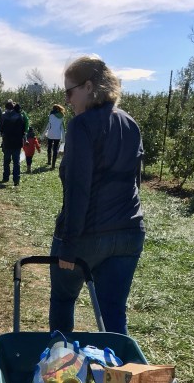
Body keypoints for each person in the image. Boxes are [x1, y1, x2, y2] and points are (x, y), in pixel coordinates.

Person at [49, 55, 144, 336]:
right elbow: (134, 182)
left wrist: (68, 243)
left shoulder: (82, 126)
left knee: (63, 299)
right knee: (113, 311)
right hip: (129, 232)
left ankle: (60, 368)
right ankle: (121, 376)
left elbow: (78, 188)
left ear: (89, 86)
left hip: (88, 234)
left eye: (69, 91)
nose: (67, 100)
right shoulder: (131, 123)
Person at [0, 100, 26, 186]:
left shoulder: (4, 116)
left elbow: (1, 129)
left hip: (7, 141)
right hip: (17, 142)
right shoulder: (20, 116)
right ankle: (16, 179)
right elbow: (23, 129)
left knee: (6, 161)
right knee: (16, 161)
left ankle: (6, 177)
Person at [45, 104, 66, 169]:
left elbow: (48, 125)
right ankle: (53, 165)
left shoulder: (51, 115)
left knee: (49, 147)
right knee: (55, 149)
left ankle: (49, 161)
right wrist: (63, 138)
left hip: (50, 134)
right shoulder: (62, 116)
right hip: (57, 135)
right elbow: (63, 127)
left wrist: (43, 135)